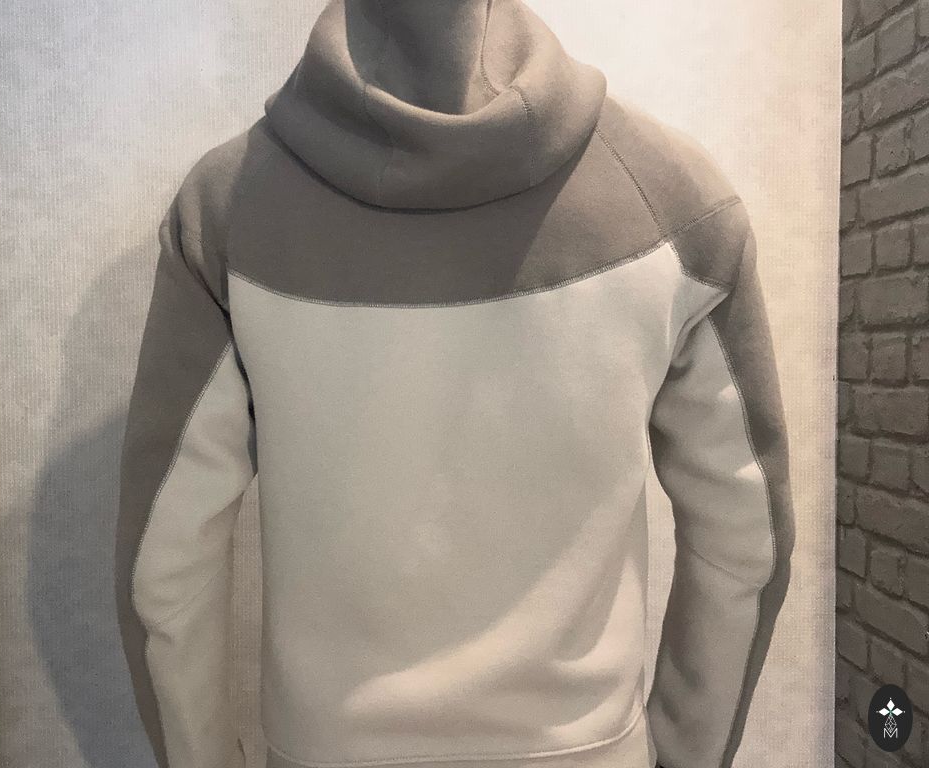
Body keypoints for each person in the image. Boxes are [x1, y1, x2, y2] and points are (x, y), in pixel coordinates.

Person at [114, 2, 796, 767]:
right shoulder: (673, 199)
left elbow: (163, 573)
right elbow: (745, 542)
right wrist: (685, 753)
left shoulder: (225, 211)